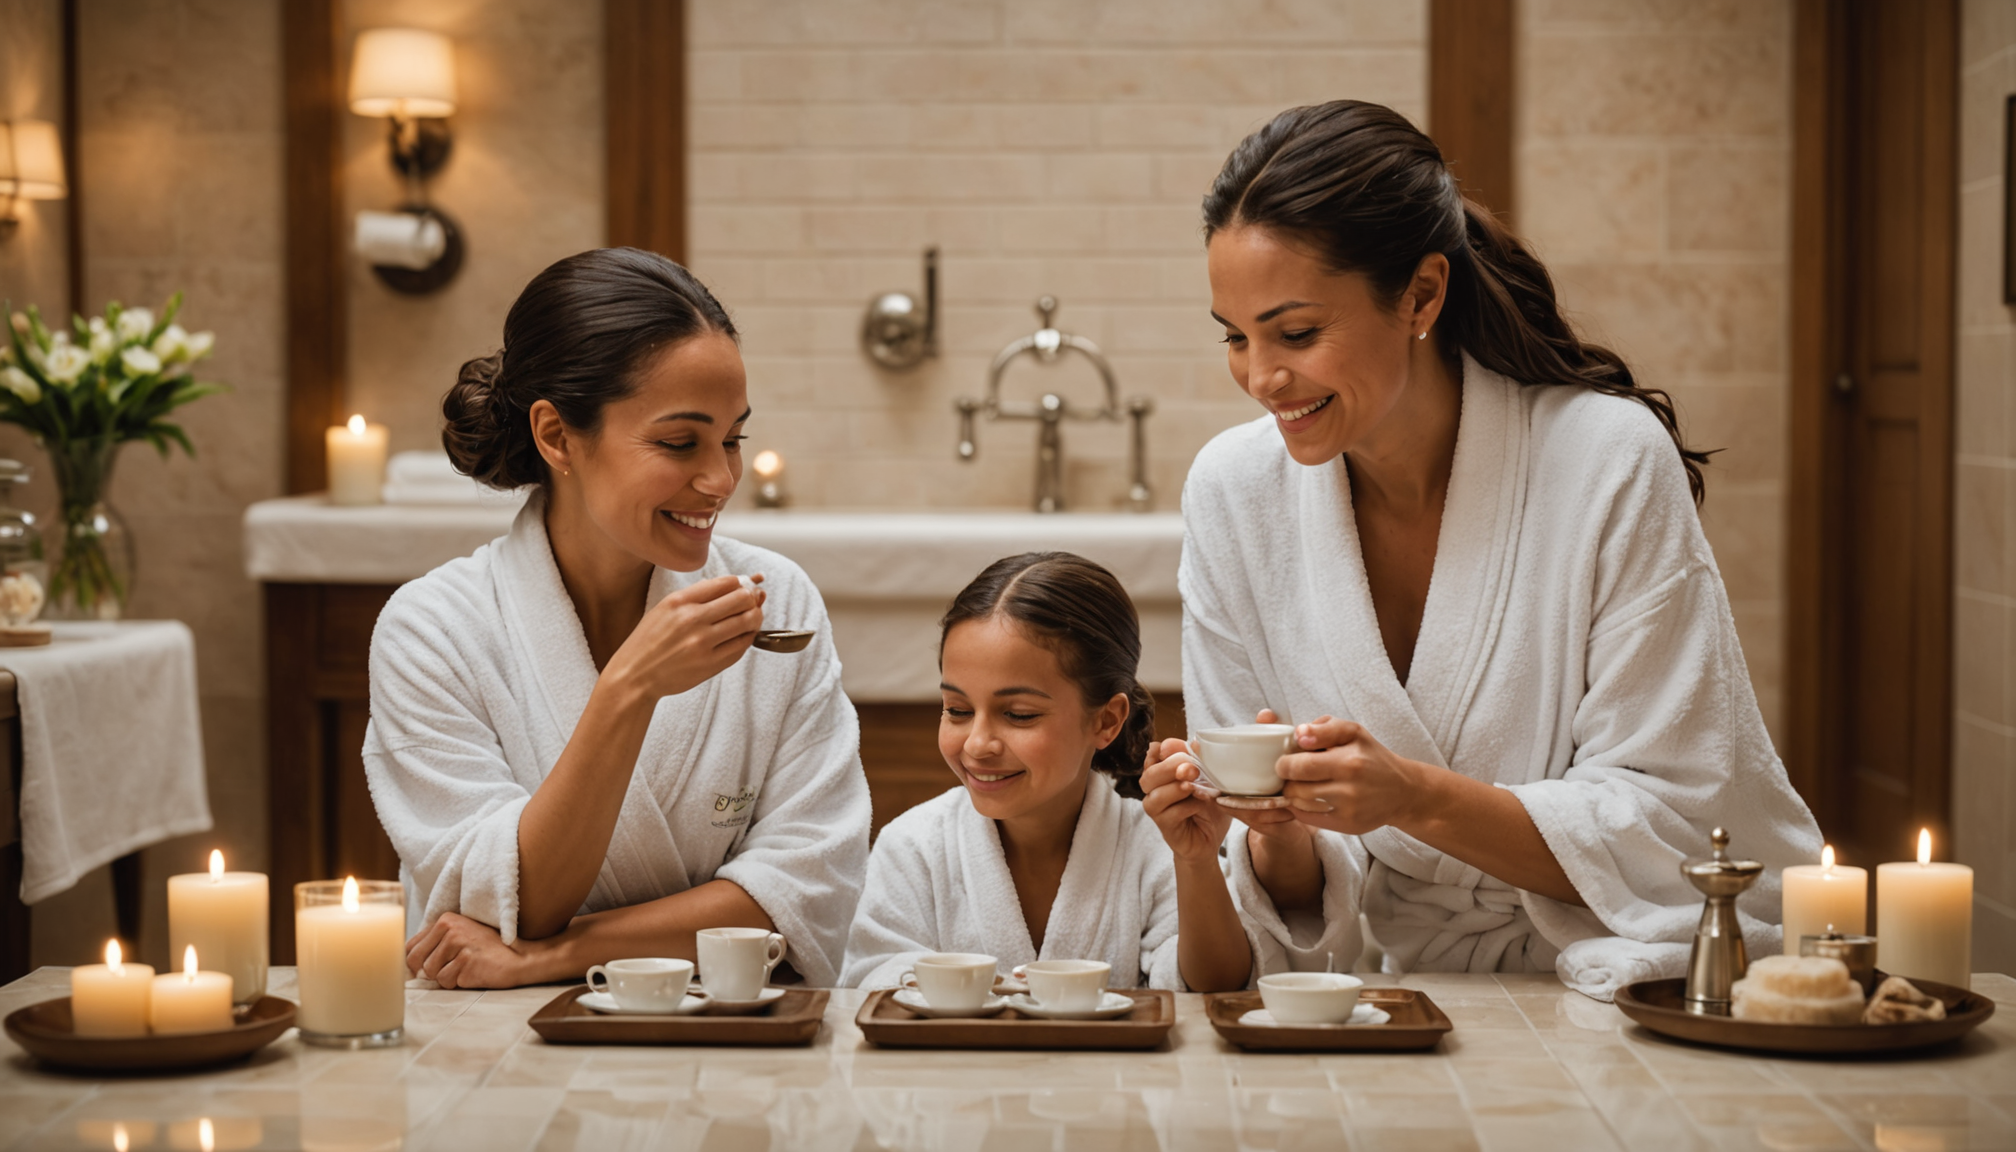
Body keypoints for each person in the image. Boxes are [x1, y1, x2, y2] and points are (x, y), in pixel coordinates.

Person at [1179, 100, 1822, 997]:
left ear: (1422, 295)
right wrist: (1276, 835)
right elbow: (1271, 881)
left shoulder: (1604, 458)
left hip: (1627, 975)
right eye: (1234, 338)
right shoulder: (1233, 492)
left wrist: (1414, 797)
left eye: (1294, 333)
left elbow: (1686, 818)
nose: (1260, 378)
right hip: (1384, 1000)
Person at [366, 247, 870, 989]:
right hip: (503, 1049)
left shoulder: (775, 599)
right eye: (679, 442)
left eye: (733, 439)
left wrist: (559, 955)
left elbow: (804, 889)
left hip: (731, 1038)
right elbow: (512, 901)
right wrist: (628, 689)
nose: (721, 478)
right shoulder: (434, 630)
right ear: (557, 436)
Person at [842, 553, 1251, 993]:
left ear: (1106, 721)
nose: (978, 744)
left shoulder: (1154, 849)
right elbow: (870, 978)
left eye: (1019, 715)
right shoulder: (914, 847)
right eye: (957, 710)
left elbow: (1215, 991)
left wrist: (1196, 861)